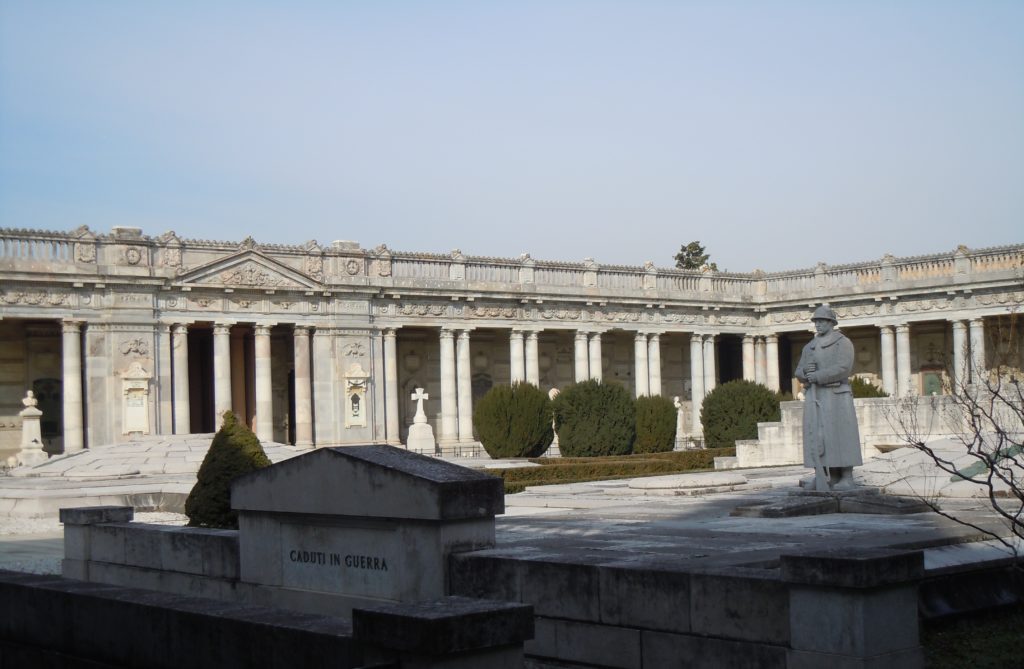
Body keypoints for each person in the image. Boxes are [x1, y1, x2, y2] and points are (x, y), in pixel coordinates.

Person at [794, 305, 862, 490]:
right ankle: (824, 475)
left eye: (821, 321)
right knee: (818, 437)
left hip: (837, 395)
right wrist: (804, 373)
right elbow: (798, 370)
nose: (818, 325)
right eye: (816, 321)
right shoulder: (810, 347)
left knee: (842, 436)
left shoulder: (842, 342)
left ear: (831, 323)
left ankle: (847, 476)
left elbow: (843, 368)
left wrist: (818, 376)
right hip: (816, 397)